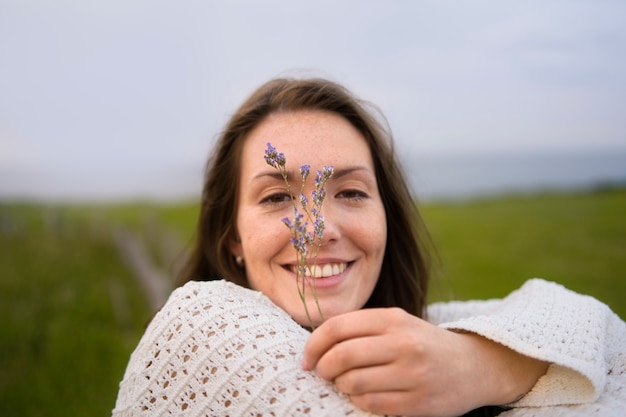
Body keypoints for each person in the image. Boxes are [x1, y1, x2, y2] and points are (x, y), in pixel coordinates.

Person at [112, 77, 626, 417]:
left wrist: (474, 364)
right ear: (233, 237)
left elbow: (601, 331)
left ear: (386, 217)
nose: (319, 229)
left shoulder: (433, 336)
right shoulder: (204, 328)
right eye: (277, 196)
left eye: (351, 192)